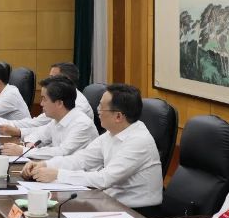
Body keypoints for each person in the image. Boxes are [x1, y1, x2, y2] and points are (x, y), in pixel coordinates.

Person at [22, 83, 162, 209]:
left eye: (101, 108)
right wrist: (45, 164)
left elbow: (104, 179)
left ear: (118, 116)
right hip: (110, 202)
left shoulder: (139, 141)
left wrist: (58, 174)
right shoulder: (111, 133)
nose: (98, 111)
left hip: (138, 212)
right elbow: (81, 159)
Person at [0, 77, 96, 159]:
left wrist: (23, 151)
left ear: (59, 103)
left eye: (44, 99)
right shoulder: (57, 120)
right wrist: (29, 144)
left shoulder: (82, 124)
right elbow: (37, 135)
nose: (41, 104)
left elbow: (62, 152)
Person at [0, 62, 94, 136]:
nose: (49, 81)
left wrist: (18, 132)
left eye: (52, 77)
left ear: (66, 80)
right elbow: (40, 126)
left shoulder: (78, 106)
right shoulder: (58, 99)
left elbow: (62, 149)